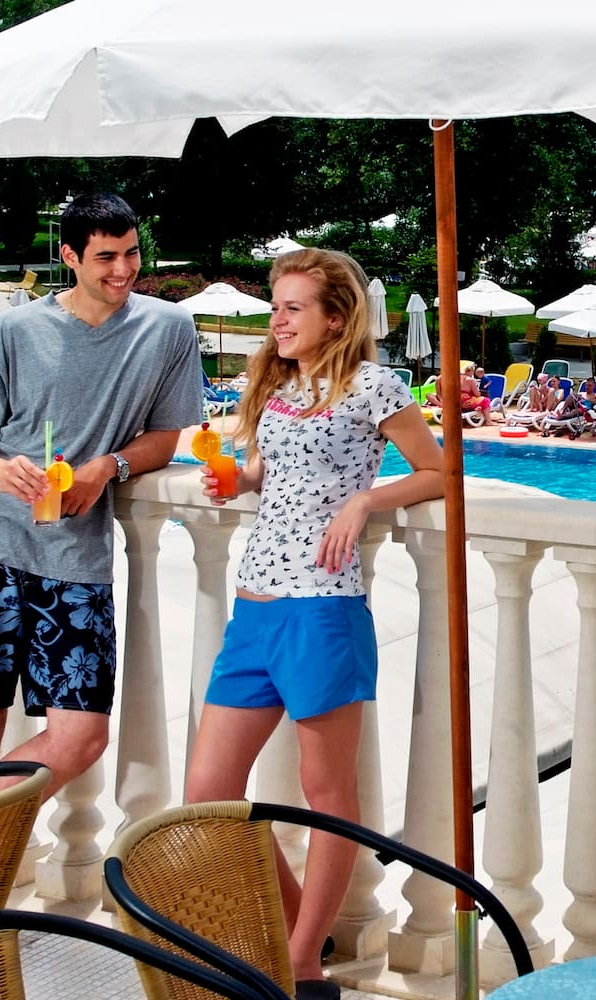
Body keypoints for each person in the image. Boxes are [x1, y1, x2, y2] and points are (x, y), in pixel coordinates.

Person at [187, 248, 444, 997]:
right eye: (278, 307)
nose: (278, 320)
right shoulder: (280, 384)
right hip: (255, 605)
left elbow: (436, 471)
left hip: (322, 608)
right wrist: (237, 476)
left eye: (293, 308)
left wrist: (366, 501)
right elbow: (275, 470)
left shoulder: (373, 384)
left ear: (336, 317)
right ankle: (299, 936)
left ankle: (300, 962)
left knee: (326, 790)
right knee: (209, 790)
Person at [0, 193, 200, 807]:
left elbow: (165, 435)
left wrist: (109, 465)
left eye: (132, 254)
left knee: (80, 736)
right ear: (70, 256)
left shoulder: (168, 329)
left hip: (76, 554)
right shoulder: (16, 330)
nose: (123, 271)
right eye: (106, 258)